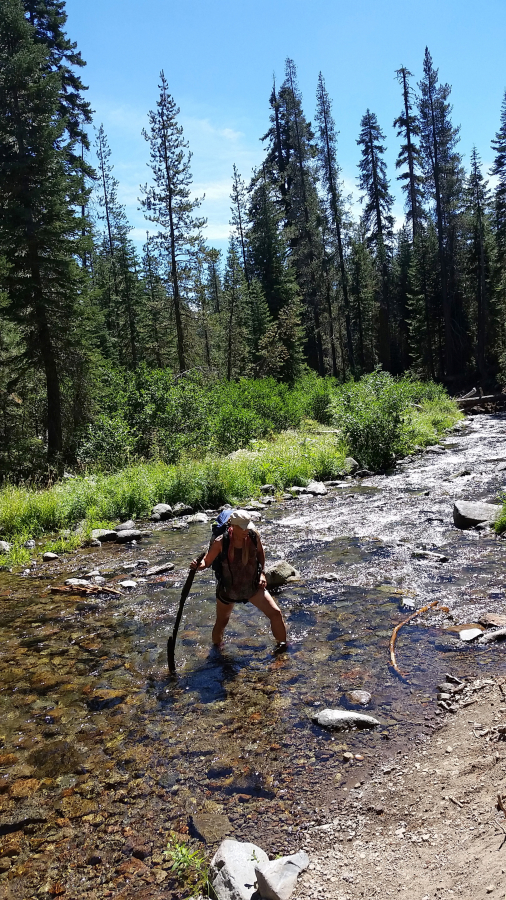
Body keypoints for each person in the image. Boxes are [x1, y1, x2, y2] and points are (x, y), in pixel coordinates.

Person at [190, 509, 287, 649]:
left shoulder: (254, 536)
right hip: (228, 590)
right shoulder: (221, 542)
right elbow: (206, 562)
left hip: (252, 587)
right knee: (222, 622)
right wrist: (198, 565)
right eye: (242, 528)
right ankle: (217, 651)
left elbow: (260, 553)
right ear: (233, 526)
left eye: (247, 526)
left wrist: (262, 573)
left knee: (276, 613)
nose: (246, 530)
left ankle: (282, 648)